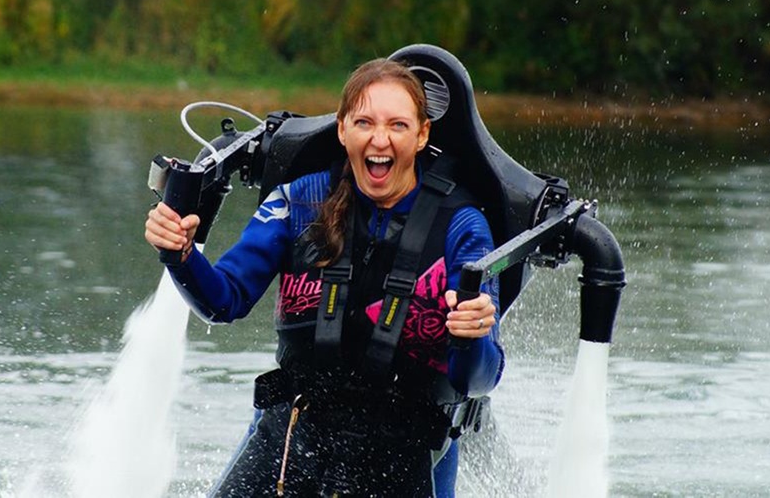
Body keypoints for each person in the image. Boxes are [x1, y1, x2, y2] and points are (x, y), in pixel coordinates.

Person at [145, 58, 505, 497]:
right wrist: (180, 256)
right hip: (298, 427)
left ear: (421, 135)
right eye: (365, 122)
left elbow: (478, 379)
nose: (379, 139)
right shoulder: (298, 202)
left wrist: (471, 336)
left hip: (412, 443)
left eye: (397, 125)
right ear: (342, 130)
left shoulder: (463, 228)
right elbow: (225, 300)